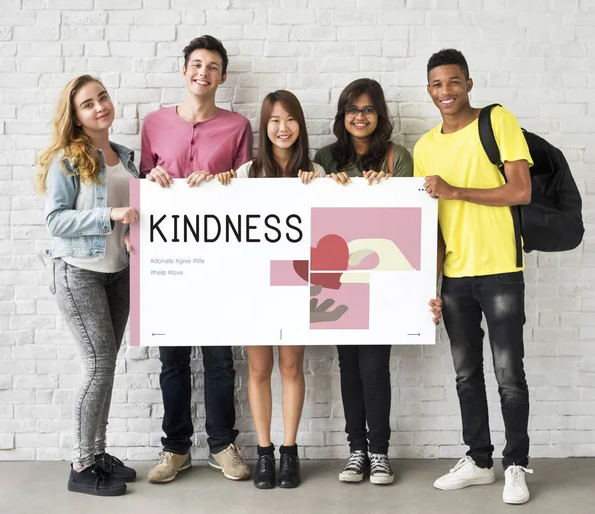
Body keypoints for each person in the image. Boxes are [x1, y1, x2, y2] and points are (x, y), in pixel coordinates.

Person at [414, 48, 533, 505]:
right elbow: (434, 224)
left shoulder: (497, 120)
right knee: (466, 375)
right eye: (437, 84)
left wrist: (455, 189)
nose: (446, 91)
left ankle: (515, 466)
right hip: (455, 277)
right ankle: (480, 462)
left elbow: (520, 189)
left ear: (468, 83)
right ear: (429, 90)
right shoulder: (425, 147)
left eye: (454, 82)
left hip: (501, 269)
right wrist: (433, 286)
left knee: (509, 375)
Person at [141, 35, 253, 484]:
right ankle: (175, 449)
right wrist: (152, 176)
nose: (202, 72)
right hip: (168, 262)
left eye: (212, 67)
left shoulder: (238, 127)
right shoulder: (153, 123)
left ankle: (223, 445)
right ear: (184, 70)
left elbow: (248, 192)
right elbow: (143, 184)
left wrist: (227, 180)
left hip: (220, 262)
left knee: (220, 360)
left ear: (222, 77)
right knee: (172, 359)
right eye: (196, 64)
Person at [314, 78, 423, 486]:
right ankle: (355, 450)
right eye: (352, 110)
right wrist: (326, 183)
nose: (360, 117)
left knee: (375, 367)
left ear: (380, 115)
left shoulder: (398, 157)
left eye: (368, 109)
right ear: (342, 116)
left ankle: (379, 452)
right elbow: (317, 212)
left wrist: (388, 190)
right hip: (340, 280)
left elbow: (408, 215)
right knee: (349, 367)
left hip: (385, 278)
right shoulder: (325, 157)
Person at [217, 90, 325, 489]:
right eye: (275, 120)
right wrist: (220, 184)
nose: (283, 128)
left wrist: (325, 187)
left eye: (291, 119)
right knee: (259, 370)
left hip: (296, 284)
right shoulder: (246, 172)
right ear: (265, 126)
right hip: (256, 286)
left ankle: (289, 451)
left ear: (300, 124)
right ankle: (264, 453)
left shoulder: (315, 171)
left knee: (292, 368)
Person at [38, 75, 140, 496]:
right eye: (87, 104)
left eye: (103, 97)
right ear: (76, 117)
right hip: (78, 272)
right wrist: (110, 215)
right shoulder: (69, 158)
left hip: (118, 273)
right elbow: (55, 220)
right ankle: (81, 464)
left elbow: (135, 215)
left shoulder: (126, 157)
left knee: (107, 366)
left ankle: (97, 453)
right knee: (98, 366)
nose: (100, 106)